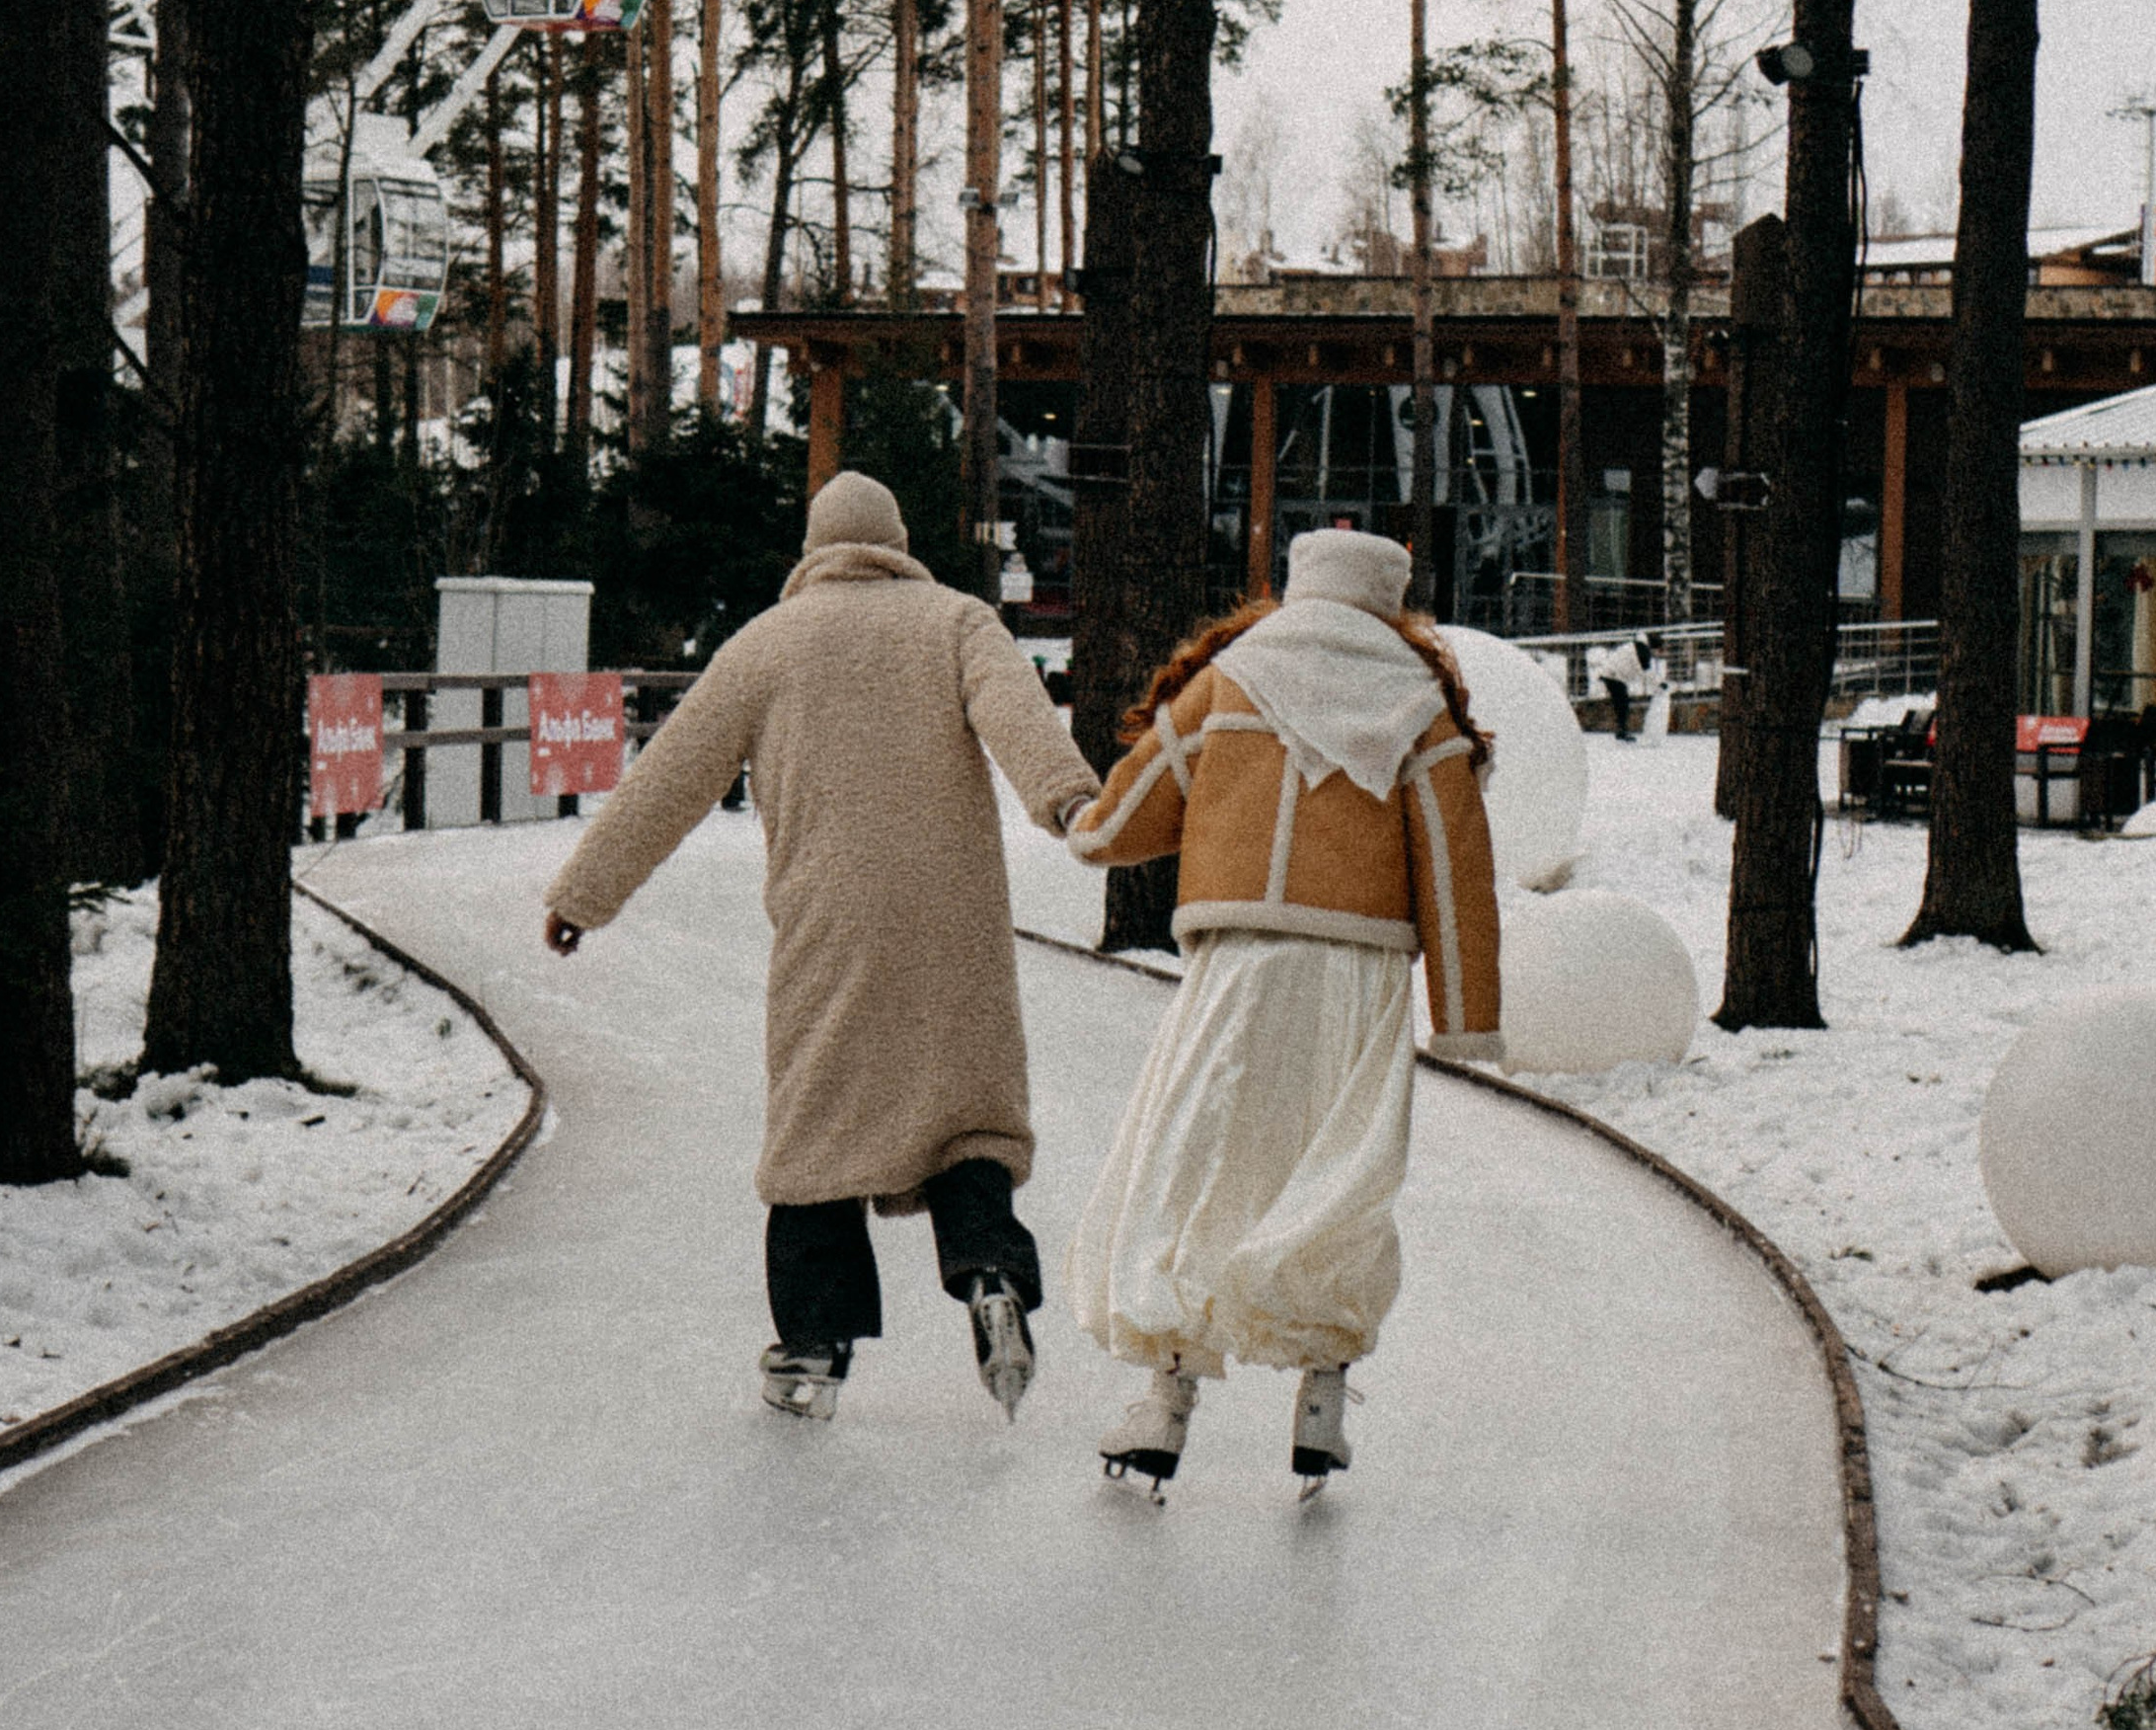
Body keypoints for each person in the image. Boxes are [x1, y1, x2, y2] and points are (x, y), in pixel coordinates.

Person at [541, 470, 1099, 1427]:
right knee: (969, 1127)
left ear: (814, 550)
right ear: (895, 542)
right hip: (953, 926)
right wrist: (1072, 801)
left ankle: (810, 1349)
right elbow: (1021, 721)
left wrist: (583, 896)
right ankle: (992, 1278)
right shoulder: (957, 621)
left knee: (816, 1145)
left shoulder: (766, 644)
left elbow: (667, 779)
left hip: (826, 930)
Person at [1064, 525, 1501, 1496]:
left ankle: (1163, 1404)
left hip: (1240, 961)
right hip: (1361, 975)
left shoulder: (1227, 681)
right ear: (1388, 601)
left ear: (1293, 588)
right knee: (1336, 1175)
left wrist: (1080, 827)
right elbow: (1454, 868)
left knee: (1193, 1162)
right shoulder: (1419, 706)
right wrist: (1467, 1015)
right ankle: (1321, 1402)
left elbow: (1123, 822)